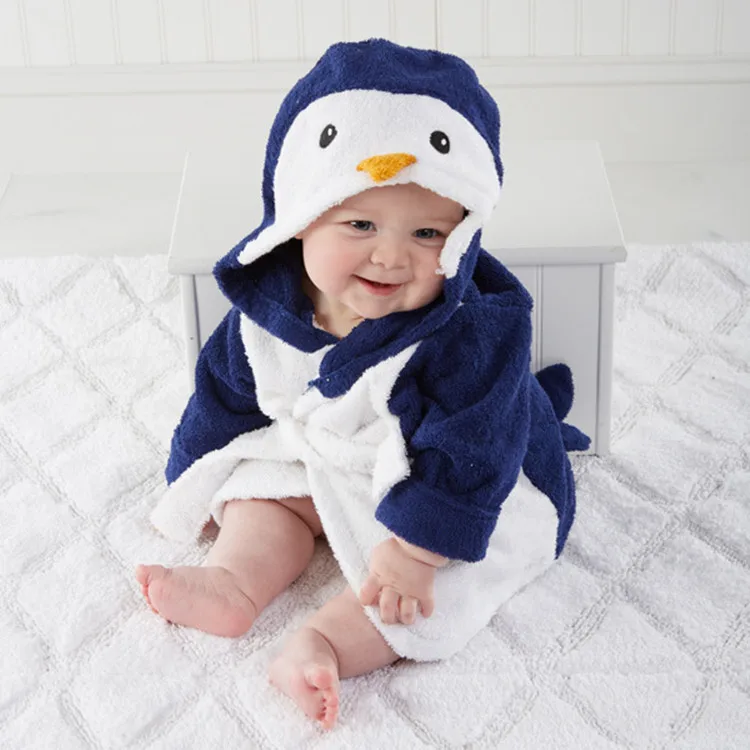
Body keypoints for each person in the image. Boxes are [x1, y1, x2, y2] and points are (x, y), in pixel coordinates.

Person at [136, 38, 590, 730]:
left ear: (463, 234)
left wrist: (414, 551)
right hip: (336, 459)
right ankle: (233, 582)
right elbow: (224, 398)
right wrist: (194, 475)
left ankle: (325, 642)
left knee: (441, 581)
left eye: (428, 234)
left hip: (458, 478)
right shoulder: (270, 314)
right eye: (360, 223)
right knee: (261, 491)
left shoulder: (468, 333)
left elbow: (475, 443)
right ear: (300, 216)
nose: (390, 255)